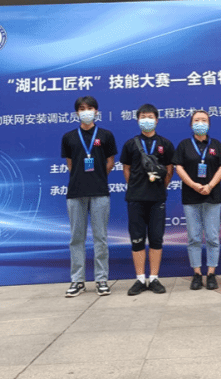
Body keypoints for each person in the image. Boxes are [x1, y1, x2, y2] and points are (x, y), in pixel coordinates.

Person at [61, 96, 117, 297]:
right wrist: (82, 179)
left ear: (96, 111)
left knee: (100, 238)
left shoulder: (106, 135)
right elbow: (70, 164)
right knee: (76, 238)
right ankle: (78, 280)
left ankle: (101, 279)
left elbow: (110, 162)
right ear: (77, 112)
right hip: (76, 193)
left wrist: (98, 177)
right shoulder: (69, 137)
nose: (86, 111)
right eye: (82, 108)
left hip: (100, 192)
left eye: (90, 108)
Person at [120, 104, 175, 296]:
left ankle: (154, 278)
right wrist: (135, 186)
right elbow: (126, 168)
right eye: (143, 117)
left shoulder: (165, 144)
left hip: (157, 198)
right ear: (138, 120)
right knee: (137, 239)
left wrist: (160, 187)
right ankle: (140, 278)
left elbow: (169, 169)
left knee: (156, 239)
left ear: (157, 120)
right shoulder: (130, 144)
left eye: (150, 117)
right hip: (135, 198)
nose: (147, 120)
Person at [173, 110, 221, 291]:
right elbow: (179, 167)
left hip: (212, 196)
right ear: (191, 124)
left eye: (204, 120)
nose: (200, 123)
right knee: (194, 237)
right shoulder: (184, 145)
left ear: (209, 124)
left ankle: (211, 273)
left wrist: (210, 185)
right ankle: (197, 273)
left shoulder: (216, 144)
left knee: (212, 237)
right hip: (191, 197)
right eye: (196, 120)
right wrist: (194, 185)